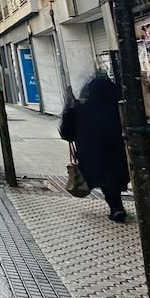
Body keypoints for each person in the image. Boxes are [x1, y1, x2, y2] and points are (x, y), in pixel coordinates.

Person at [60, 73, 129, 222]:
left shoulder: (80, 110)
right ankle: (116, 207)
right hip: (116, 152)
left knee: (102, 178)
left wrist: (69, 108)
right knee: (112, 179)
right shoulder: (117, 108)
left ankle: (116, 207)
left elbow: (66, 133)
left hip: (89, 155)